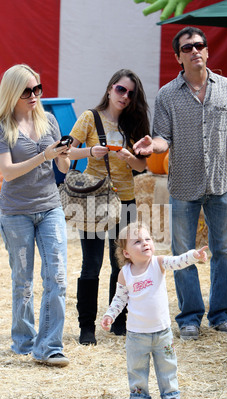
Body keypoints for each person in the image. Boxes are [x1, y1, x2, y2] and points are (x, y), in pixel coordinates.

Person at [133, 27, 227, 341]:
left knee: (223, 251)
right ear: (178, 57)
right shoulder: (167, 95)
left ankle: (221, 315)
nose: (195, 50)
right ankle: (189, 319)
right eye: (188, 48)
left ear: (207, 51)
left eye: (200, 45)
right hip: (184, 186)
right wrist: (152, 145)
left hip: (221, 184)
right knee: (183, 253)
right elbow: (163, 139)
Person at [0, 64, 71, 366]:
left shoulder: (49, 120)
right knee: (23, 280)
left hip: (50, 206)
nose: (34, 95)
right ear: (13, 93)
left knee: (57, 276)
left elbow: (61, 167)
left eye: (38, 89)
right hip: (16, 212)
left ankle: (49, 347)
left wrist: (64, 157)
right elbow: (7, 173)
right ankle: (23, 340)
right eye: (27, 91)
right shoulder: (0, 127)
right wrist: (44, 156)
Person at [69, 69, 150, 345]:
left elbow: (142, 167)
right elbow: (68, 151)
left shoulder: (133, 124)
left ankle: (118, 321)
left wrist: (131, 158)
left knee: (122, 264)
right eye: (120, 89)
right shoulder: (89, 118)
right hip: (94, 201)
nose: (124, 96)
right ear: (109, 89)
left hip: (126, 200)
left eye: (130, 93)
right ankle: (86, 327)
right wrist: (90, 152)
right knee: (91, 264)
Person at [101, 222, 208, 399]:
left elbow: (178, 261)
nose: (145, 243)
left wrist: (194, 256)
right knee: (136, 368)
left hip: (162, 331)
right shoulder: (124, 274)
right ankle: (139, 396)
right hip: (136, 334)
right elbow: (119, 299)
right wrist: (110, 315)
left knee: (168, 364)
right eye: (137, 242)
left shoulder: (158, 263)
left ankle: (171, 394)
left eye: (147, 239)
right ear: (126, 253)